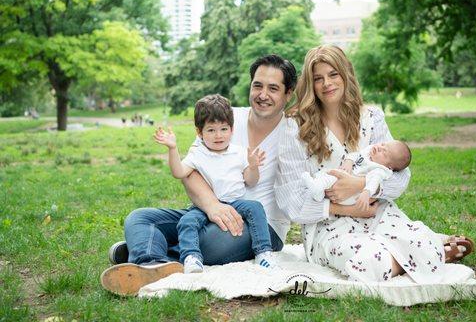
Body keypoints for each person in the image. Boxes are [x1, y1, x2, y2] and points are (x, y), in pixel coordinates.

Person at [274, 45, 473, 284]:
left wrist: (359, 185)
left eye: (333, 74)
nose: (327, 83)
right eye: (318, 78)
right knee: (371, 263)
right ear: (311, 83)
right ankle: (427, 255)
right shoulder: (295, 126)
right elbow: (291, 201)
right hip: (327, 225)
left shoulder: (371, 117)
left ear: (346, 74)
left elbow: (400, 177)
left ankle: (424, 249)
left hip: (376, 212)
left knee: (420, 238)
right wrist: (345, 208)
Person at [100, 55, 296, 295]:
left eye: (273, 88)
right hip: (207, 211)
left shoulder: (294, 133)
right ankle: (151, 262)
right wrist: (213, 206)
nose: (263, 94)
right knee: (139, 218)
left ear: (288, 94)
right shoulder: (224, 118)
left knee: (208, 242)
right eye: (258, 85)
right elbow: (189, 172)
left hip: (261, 225)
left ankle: (143, 250)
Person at [153, 94, 279, 273]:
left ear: (232, 129)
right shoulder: (198, 153)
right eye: (211, 130)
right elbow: (179, 172)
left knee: (256, 208)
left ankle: (263, 252)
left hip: (236, 202)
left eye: (224, 129)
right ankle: (191, 257)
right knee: (187, 221)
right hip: (205, 208)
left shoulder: (239, 152)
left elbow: (251, 181)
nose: (218, 135)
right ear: (199, 132)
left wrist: (253, 166)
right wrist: (173, 148)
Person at [302, 139, 411, 212]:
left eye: (384, 152)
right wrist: (349, 161)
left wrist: (366, 192)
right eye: (383, 144)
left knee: (332, 177)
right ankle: (319, 192)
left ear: (389, 167)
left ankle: (317, 187)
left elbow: (373, 182)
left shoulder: (380, 170)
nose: (379, 148)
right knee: (327, 172)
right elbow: (355, 155)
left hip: (352, 197)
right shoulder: (369, 153)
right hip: (345, 184)